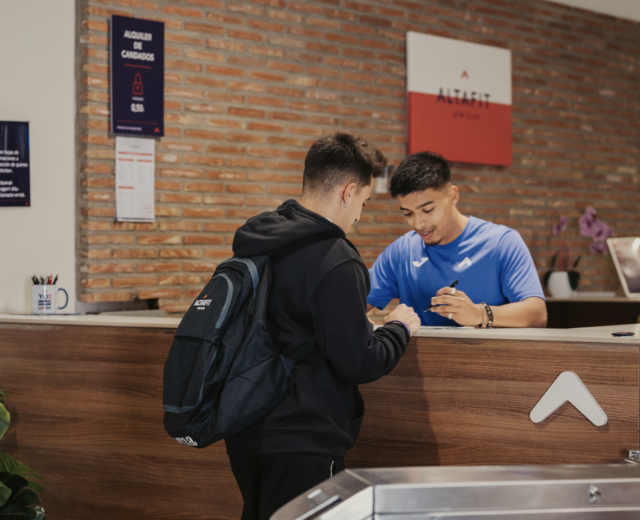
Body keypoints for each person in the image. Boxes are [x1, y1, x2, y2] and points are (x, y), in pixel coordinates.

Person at [226, 132, 421, 520]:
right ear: (348, 192)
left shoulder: (259, 238)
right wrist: (398, 328)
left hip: (245, 427)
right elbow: (357, 361)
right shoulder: (336, 259)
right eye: (363, 202)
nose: (359, 215)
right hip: (303, 437)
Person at [367, 151, 547, 328]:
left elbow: (538, 314)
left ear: (453, 195)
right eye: (408, 213)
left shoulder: (503, 243)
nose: (418, 223)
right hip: (423, 358)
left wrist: (479, 314)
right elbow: (354, 303)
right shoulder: (401, 251)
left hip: (489, 357)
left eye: (428, 210)